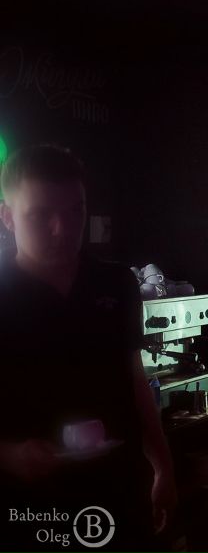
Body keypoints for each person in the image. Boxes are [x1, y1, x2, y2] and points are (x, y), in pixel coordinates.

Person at [0, 144, 175, 551]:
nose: (62, 229)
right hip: (29, 504)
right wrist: (8, 456)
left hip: (119, 487)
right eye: (41, 215)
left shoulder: (115, 283)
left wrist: (163, 466)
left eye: (75, 211)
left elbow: (134, 379)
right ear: (7, 217)